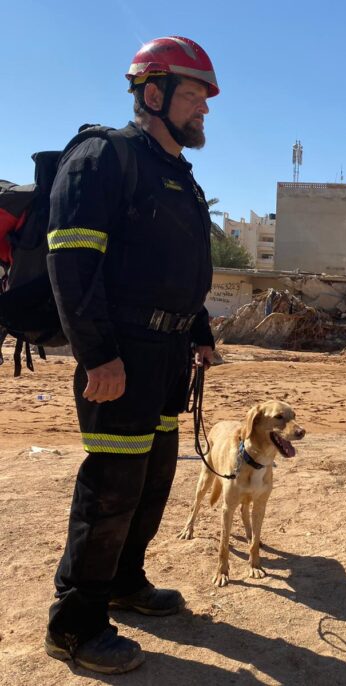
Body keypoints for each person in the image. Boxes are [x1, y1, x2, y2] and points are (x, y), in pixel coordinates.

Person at [44, 36, 219, 674]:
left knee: (152, 479)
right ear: (154, 93)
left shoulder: (177, 174)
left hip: (168, 353)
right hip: (120, 352)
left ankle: (123, 582)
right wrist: (98, 357)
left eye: (204, 98)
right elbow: (72, 264)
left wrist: (198, 332)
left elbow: (179, 270)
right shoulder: (103, 158)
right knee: (112, 486)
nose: (204, 109)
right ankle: (74, 626)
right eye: (195, 95)